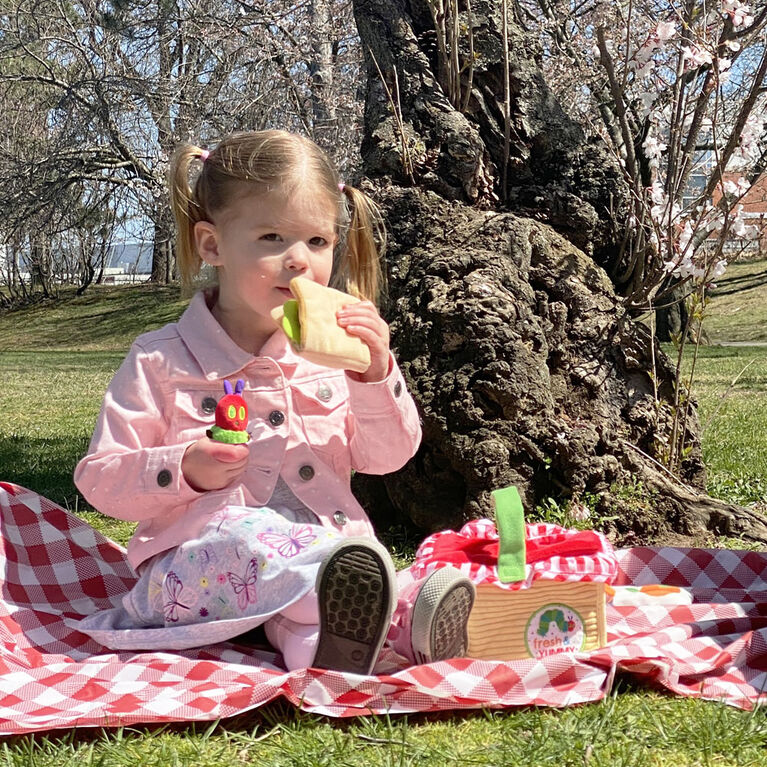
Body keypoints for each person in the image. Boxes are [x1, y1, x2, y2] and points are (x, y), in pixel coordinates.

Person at [74, 130, 474, 674]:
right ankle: (363, 602)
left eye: (317, 241)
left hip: (324, 554)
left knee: (350, 567)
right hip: (195, 571)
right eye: (271, 237)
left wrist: (375, 376)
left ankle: (351, 643)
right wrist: (184, 468)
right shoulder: (160, 361)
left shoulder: (334, 357)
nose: (299, 261)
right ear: (212, 246)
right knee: (258, 540)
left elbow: (389, 458)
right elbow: (100, 479)